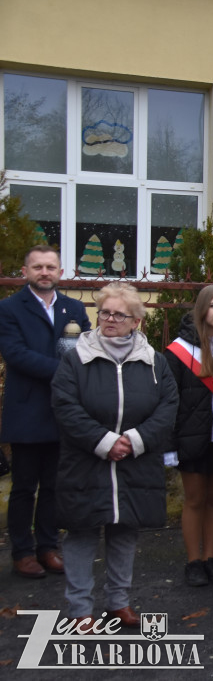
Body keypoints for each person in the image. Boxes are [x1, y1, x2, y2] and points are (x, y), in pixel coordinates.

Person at [51, 282, 178, 627]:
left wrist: (134, 440)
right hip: (86, 460)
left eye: (119, 315)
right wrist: (105, 441)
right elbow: (65, 406)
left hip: (136, 462)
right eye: (104, 312)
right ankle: (80, 610)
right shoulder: (75, 359)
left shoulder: (155, 362)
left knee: (124, 532)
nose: (109, 319)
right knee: (81, 533)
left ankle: (119, 602)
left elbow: (168, 407)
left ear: (136, 321)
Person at [0, 245, 91, 579]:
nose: (44, 272)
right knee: (24, 487)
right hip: (26, 409)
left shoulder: (74, 308)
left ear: (60, 272)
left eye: (50, 267)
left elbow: (88, 347)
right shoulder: (9, 308)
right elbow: (15, 353)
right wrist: (65, 372)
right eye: (37, 267)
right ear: (25, 272)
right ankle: (22, 552)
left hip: (63, 411)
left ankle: (48, 547)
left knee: (55, 485)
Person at [164, 285, 213, 587]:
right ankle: (193, 561)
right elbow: (169, 401)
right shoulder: (178, 351)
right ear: (201, 309)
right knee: (194, 500)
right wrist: (169, 445)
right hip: (192, 437)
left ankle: (211, 558)